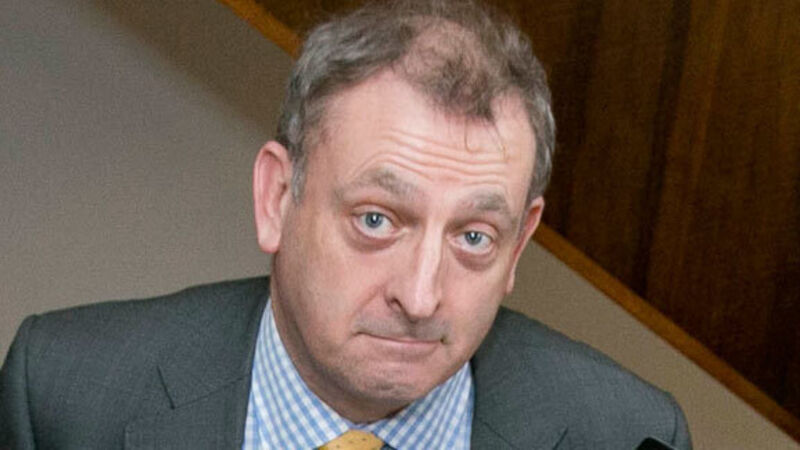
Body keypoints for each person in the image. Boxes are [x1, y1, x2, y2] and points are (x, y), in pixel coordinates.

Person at [0, 0, 692, 448]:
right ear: (277, 197)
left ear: (520, 245)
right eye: (377, 220)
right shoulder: (64, 394)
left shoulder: (628, 434)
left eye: (474, 237)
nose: (420, 297)